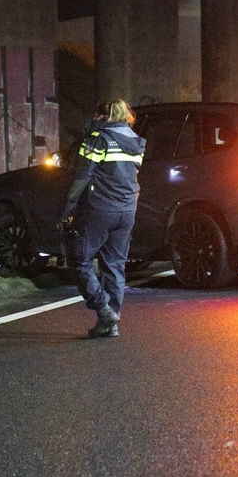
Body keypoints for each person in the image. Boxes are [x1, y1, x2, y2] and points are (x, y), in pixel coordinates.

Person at [60, 99, 146, 339]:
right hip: (127, 211)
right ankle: (110, 323)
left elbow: (82, 176)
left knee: (79, 260)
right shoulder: (137, 144)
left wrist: (67, 208)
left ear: (102, 116)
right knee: (115, 266)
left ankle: (103, 309)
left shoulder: (96, 139)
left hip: (99, 210)